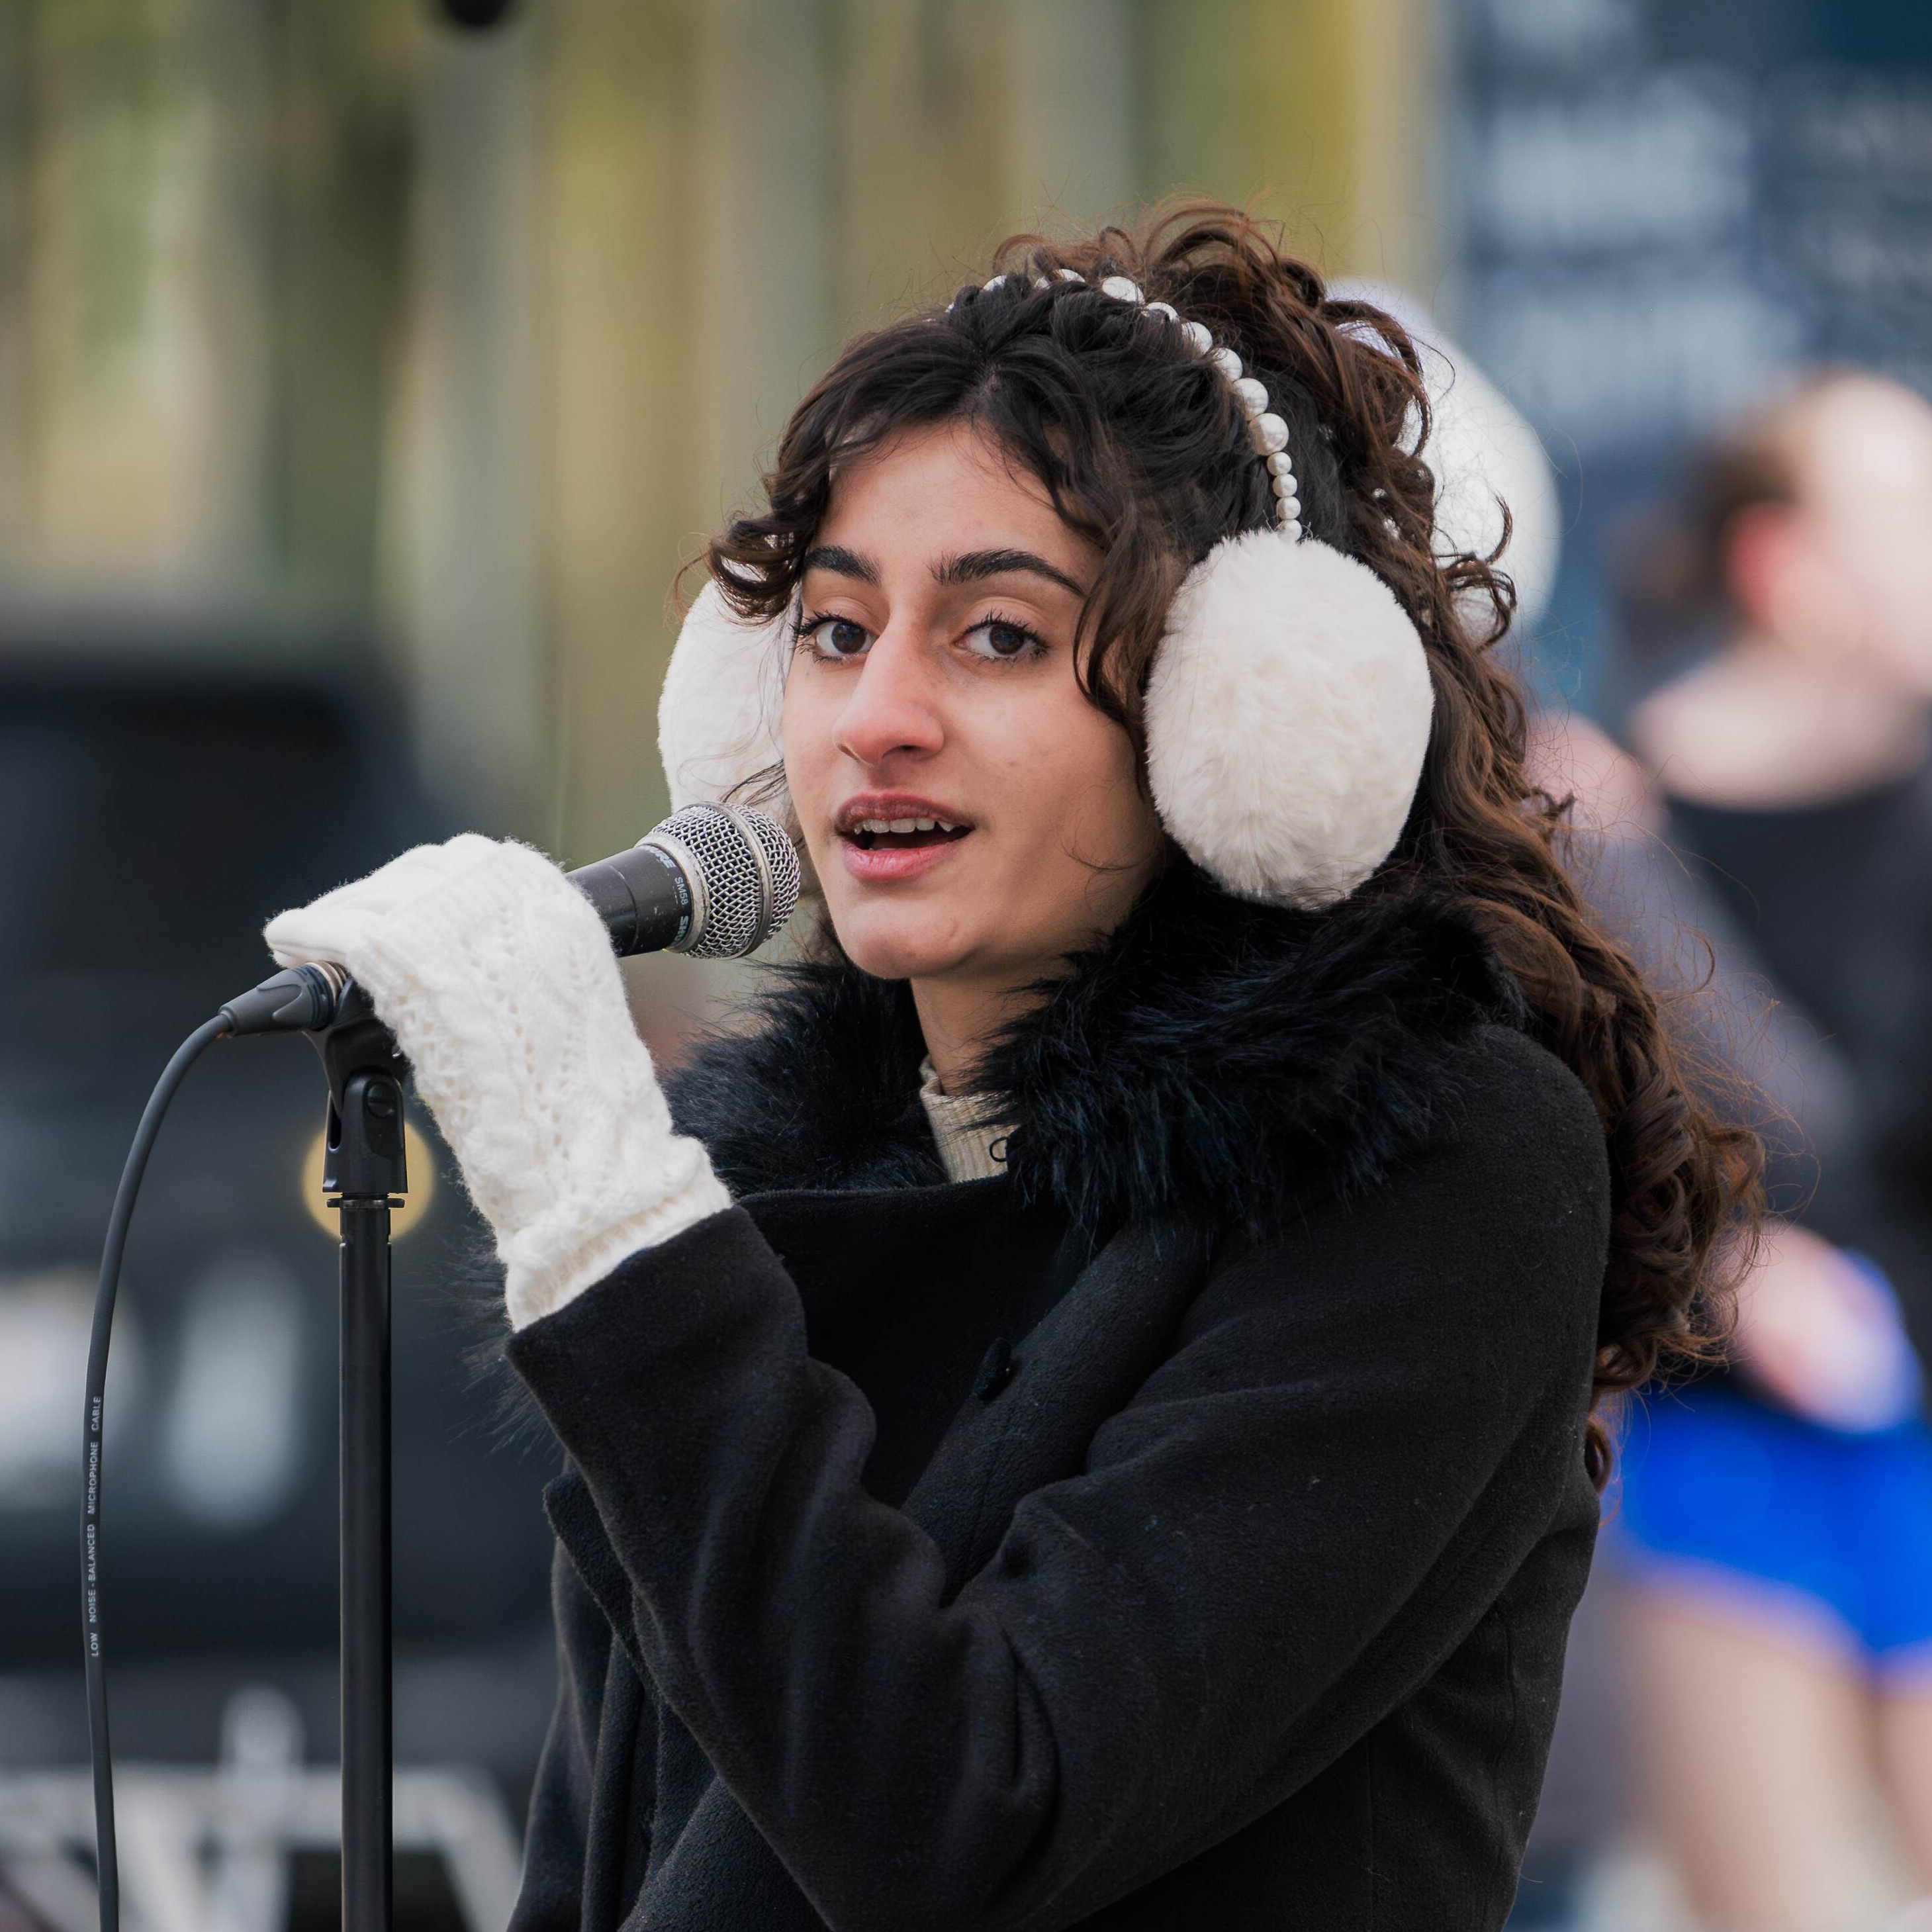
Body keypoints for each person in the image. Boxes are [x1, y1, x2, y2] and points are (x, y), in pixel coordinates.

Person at [263, 205, 1755, 1929]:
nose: (877, 713)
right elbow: (601, 1863)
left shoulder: (1433, 1157)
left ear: (1241, 715)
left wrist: (611, 1221)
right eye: (832, 629)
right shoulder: (759, 1186)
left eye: (996, 636)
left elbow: (960, 1817)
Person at [1609, 373, 1932, 1931]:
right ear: (1780, 569)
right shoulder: (1589, 810)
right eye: (1905, 514)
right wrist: (1715, 1265)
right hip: (1718, 1450)